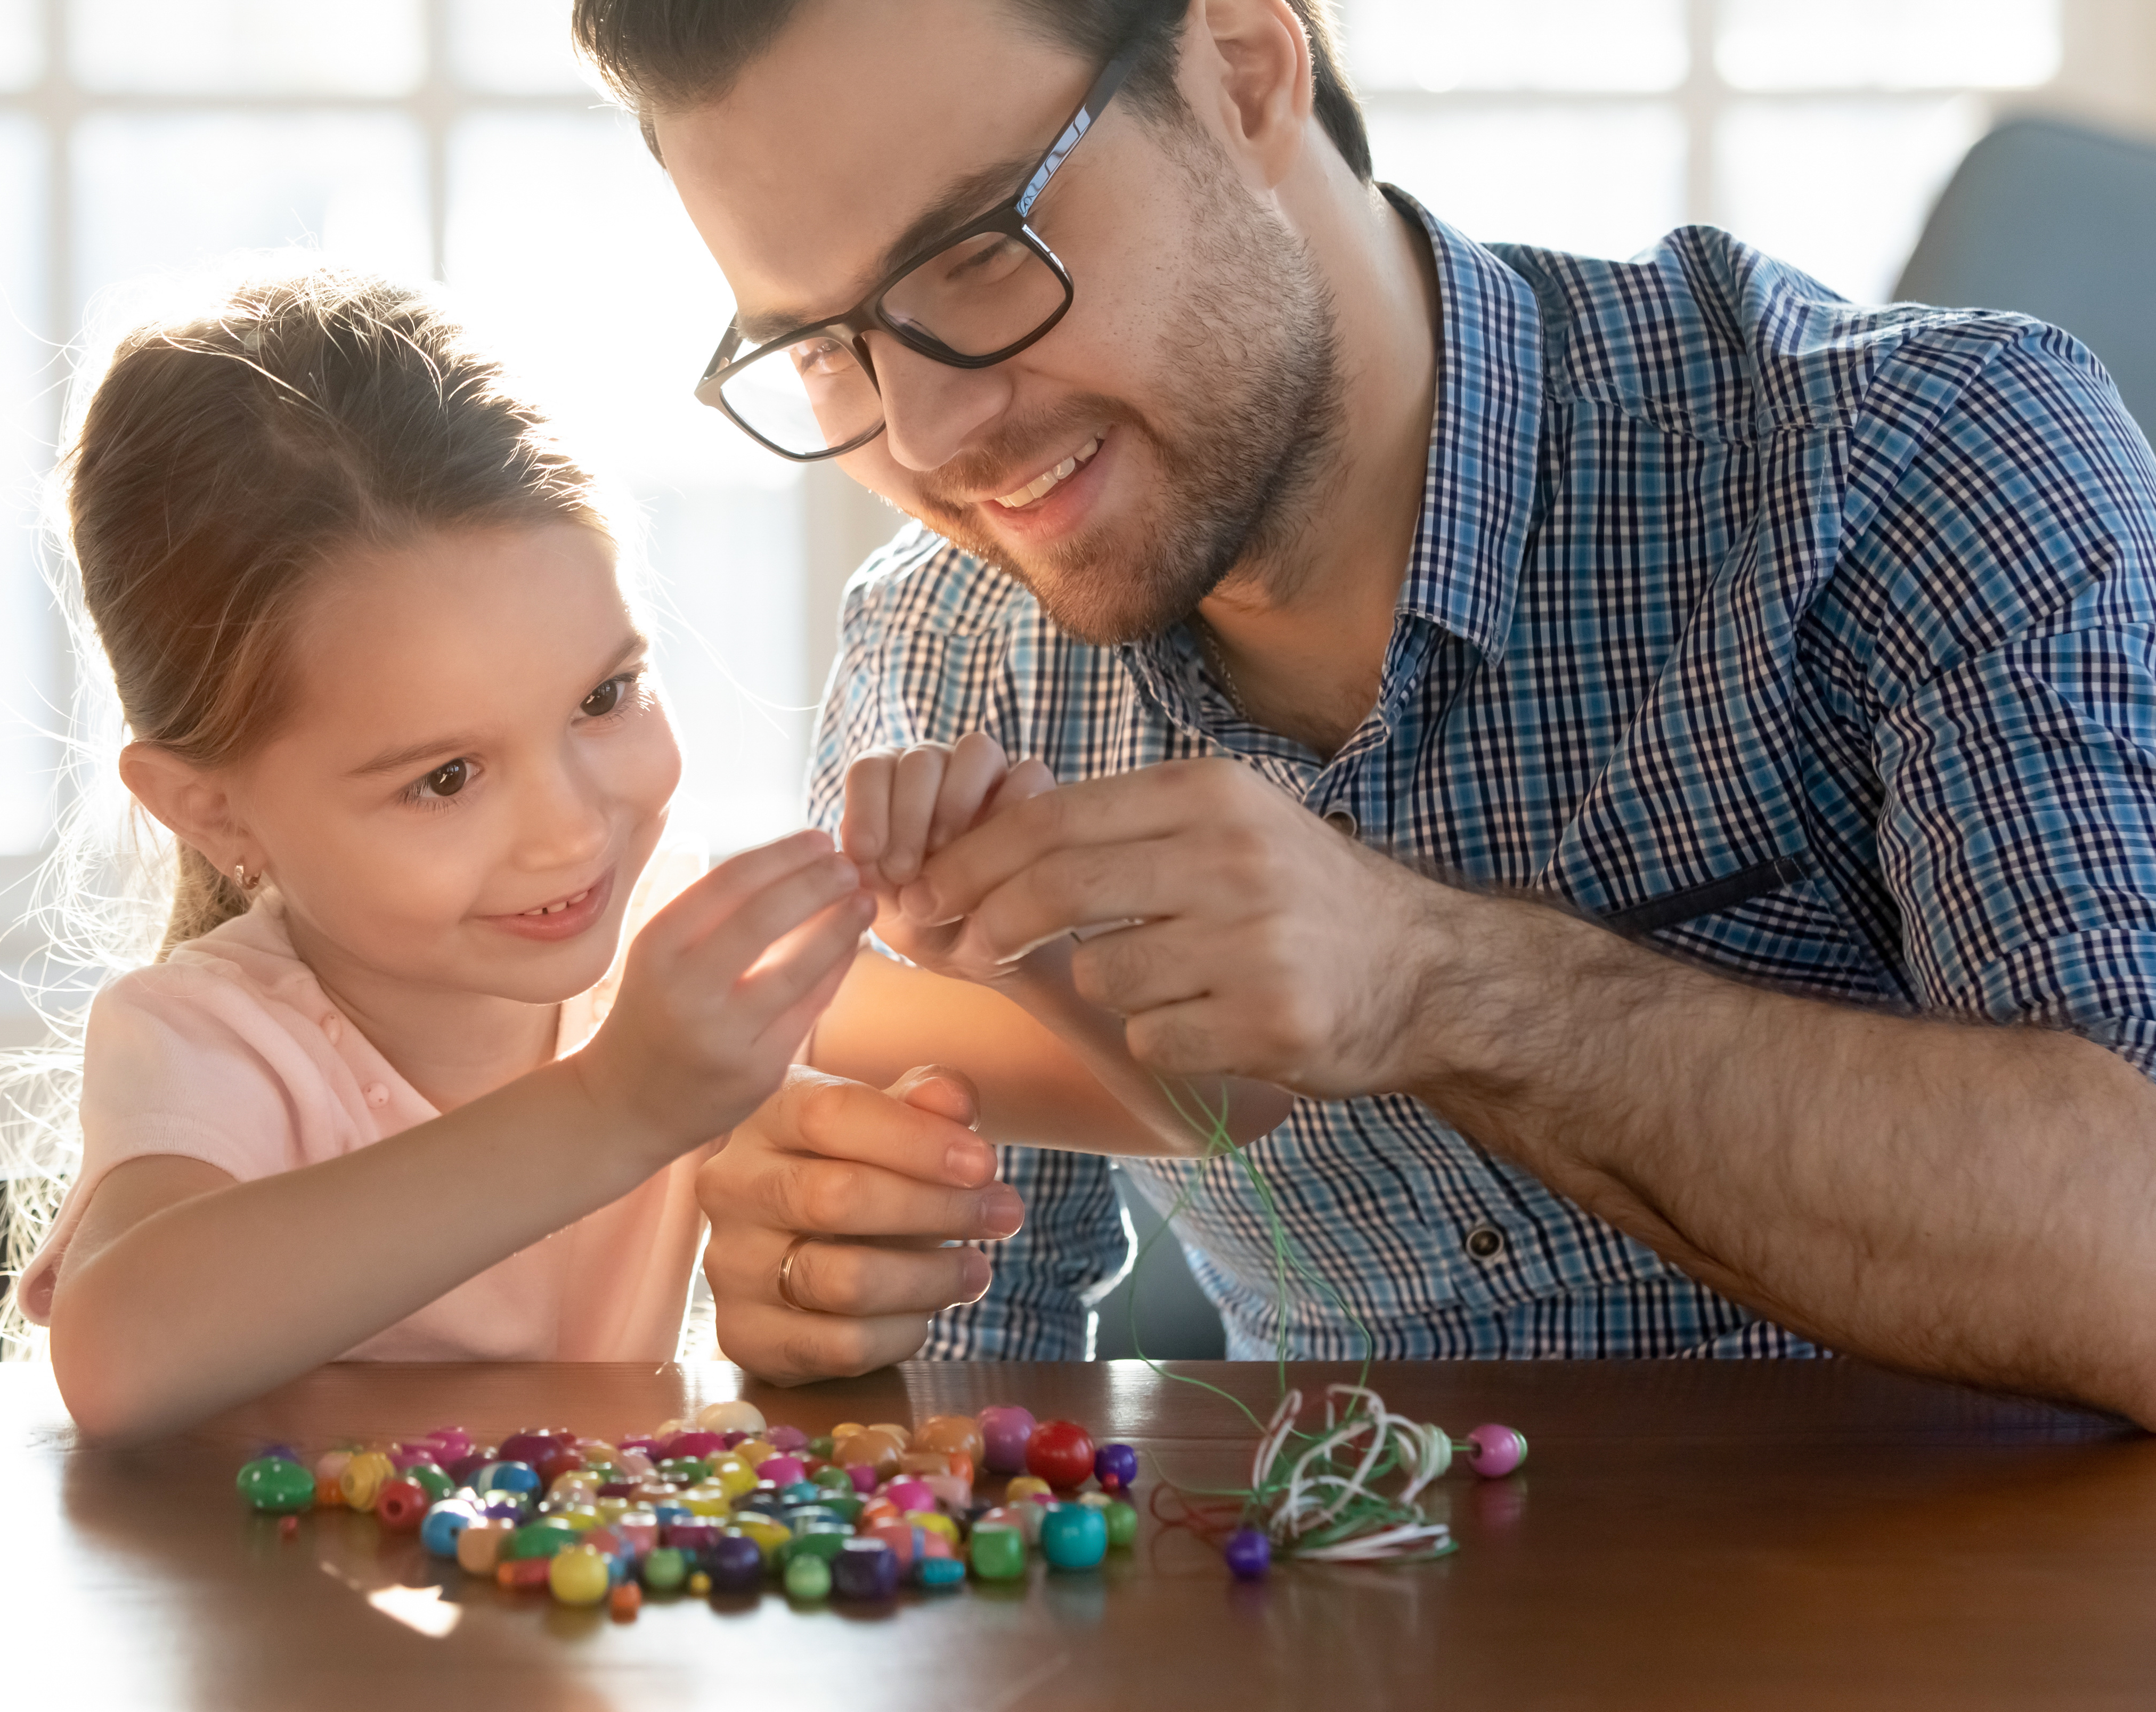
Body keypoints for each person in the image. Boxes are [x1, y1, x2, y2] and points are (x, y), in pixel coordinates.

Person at [572, 0, 2156, 1420]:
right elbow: (981, 1400)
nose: (926, 439)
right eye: (822, 348)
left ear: (1245, 74)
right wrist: (827, 1294)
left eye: (980, 254)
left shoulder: (1918, 461)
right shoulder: (944, 653)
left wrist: (1436, 978)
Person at [0, 268, 875, 1441]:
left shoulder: (659, 953)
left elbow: (1166, 1086)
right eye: (444, 778)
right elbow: (120, 1353)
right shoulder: (210, 1041)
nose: (570, 829)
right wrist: (615, 1107)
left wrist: (1028, 917)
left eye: (604, 696)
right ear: (214, 813)